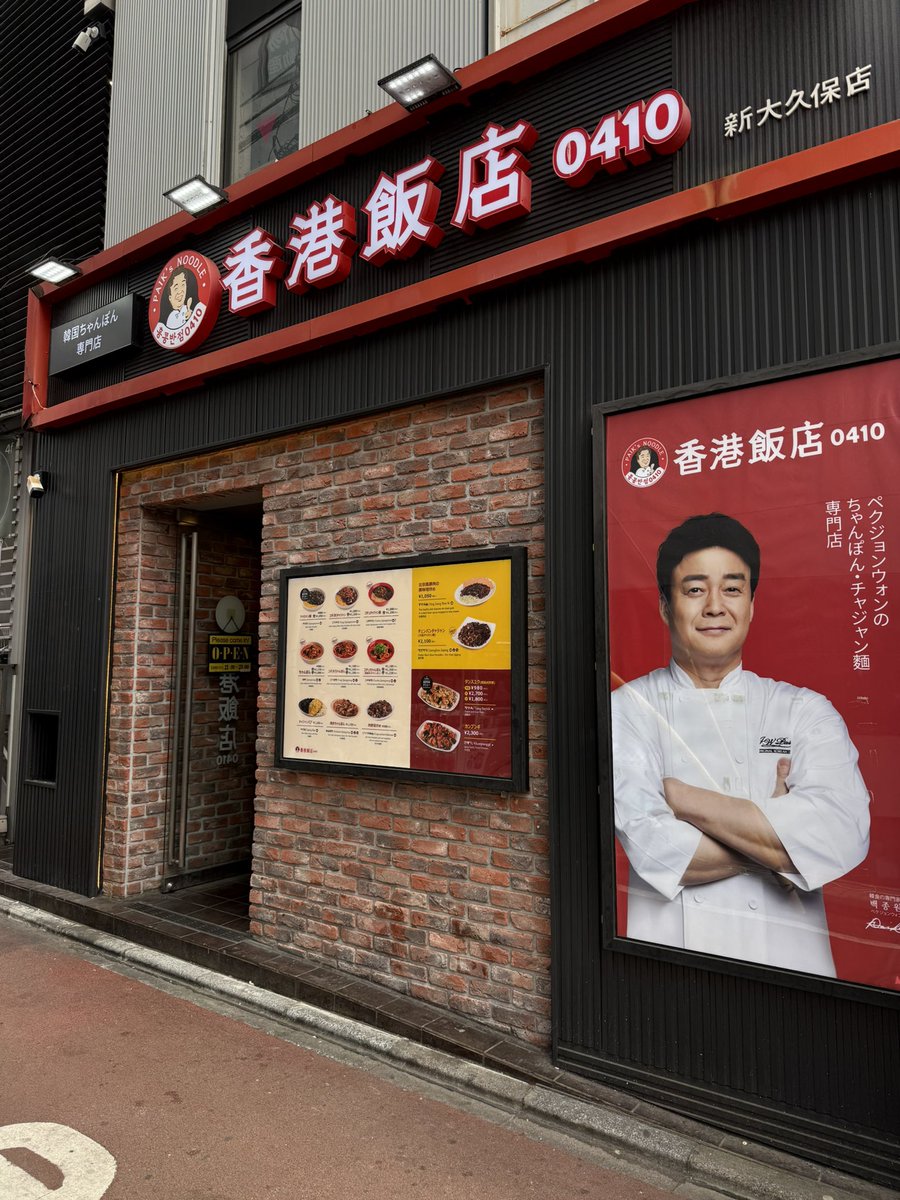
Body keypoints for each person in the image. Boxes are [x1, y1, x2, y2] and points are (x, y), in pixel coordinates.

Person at [612, 512, 870, 975]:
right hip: (672, 969)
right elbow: (654, 846)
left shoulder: (804, 710)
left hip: (793, 970)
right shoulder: (628, 709)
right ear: (666, 606)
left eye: (732, 589)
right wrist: (781, 845)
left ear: (752, 604)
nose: (715, 606)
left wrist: (681, 798)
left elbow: (841, 832)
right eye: (694, 589)